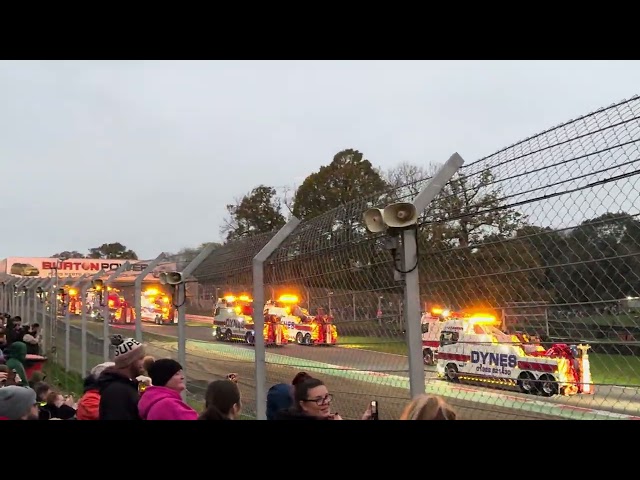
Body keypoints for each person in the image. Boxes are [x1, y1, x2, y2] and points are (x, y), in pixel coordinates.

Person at [98, 336, 146, 420]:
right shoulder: (117, 391)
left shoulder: (127, 386)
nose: (144, 362)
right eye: (141, 358)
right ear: (129, 361)